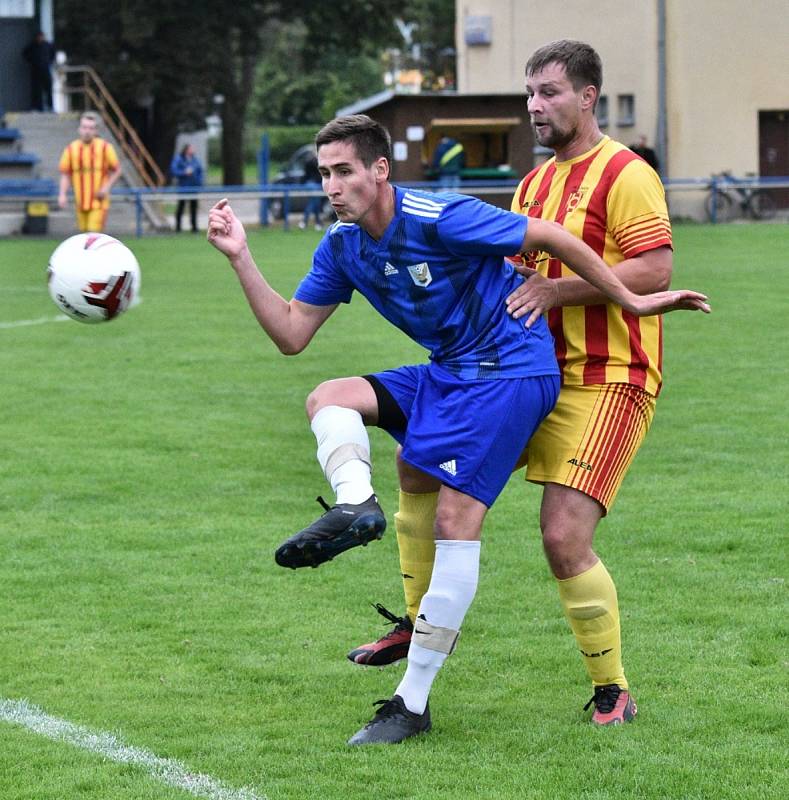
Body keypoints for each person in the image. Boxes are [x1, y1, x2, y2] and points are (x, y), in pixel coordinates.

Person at [207, 114, 707, 746]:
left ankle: (411, 702)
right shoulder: (342, 245)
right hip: (451, 373)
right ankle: (356, 507)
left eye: (344, 171)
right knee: (330, 400)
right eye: (324, 173)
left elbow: (550, 235)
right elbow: (290, 333)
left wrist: (627, 300)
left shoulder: (439, 216)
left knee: (457, 519)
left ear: (379, 170)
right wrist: (241, 257)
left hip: (510, 373)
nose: (332, 186)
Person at [348, 40, 694, 728]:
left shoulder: (624, 173)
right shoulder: (534, 185)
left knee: (562, 536)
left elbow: (654, 269)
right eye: (529, 93)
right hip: (523, 375)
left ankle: (612, 690)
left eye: (549, 92)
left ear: (588, 96)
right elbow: (507, 276)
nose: (535, 106)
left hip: (609, 378)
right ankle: (417, 625)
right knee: (415, 463)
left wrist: (556, 291)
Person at [58, 112, 122, 233]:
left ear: (96, 131)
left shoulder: (105, 147)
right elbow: (65, 174)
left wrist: (106, 187)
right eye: (84, 127)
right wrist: (62, 194)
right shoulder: (71, 149)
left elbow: (117, 170)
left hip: (98, 202)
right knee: (83, 238)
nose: (87, 131)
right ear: (79, 129)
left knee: (93, 236)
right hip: (80, 202)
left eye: (91, 128)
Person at [170, 143, 204, 233]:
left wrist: (199, 182)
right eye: (190, 148)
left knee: (193, 208)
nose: (192, 150)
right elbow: (173, 170)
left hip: (193, 188)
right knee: (181, 207)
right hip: (183, 188)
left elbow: (200, 171)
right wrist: (184, 172)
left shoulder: (195, 160)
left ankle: (194, 228)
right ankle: (178, 227)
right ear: (186, 150)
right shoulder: (179, 159)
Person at [22, 31, 55, 112]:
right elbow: (25, 53)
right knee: (37, 90)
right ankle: (37, 108)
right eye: (38, 37)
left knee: (48, 89)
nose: (40, 38)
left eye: (41, 36)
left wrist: (49, 61)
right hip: (35, 70)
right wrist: (31, 61)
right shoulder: (32, 46)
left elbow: (53, 54)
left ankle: (50, 107)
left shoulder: (47, 45)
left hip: (45, 69)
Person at [299, 153, 324, 230]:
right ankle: (304, 222)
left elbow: (305, 175)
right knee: (314, 203)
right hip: (315, 184)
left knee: (315, 203)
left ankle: (318, 223)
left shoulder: (308, 160)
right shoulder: (317, 162)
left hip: (309, 184)